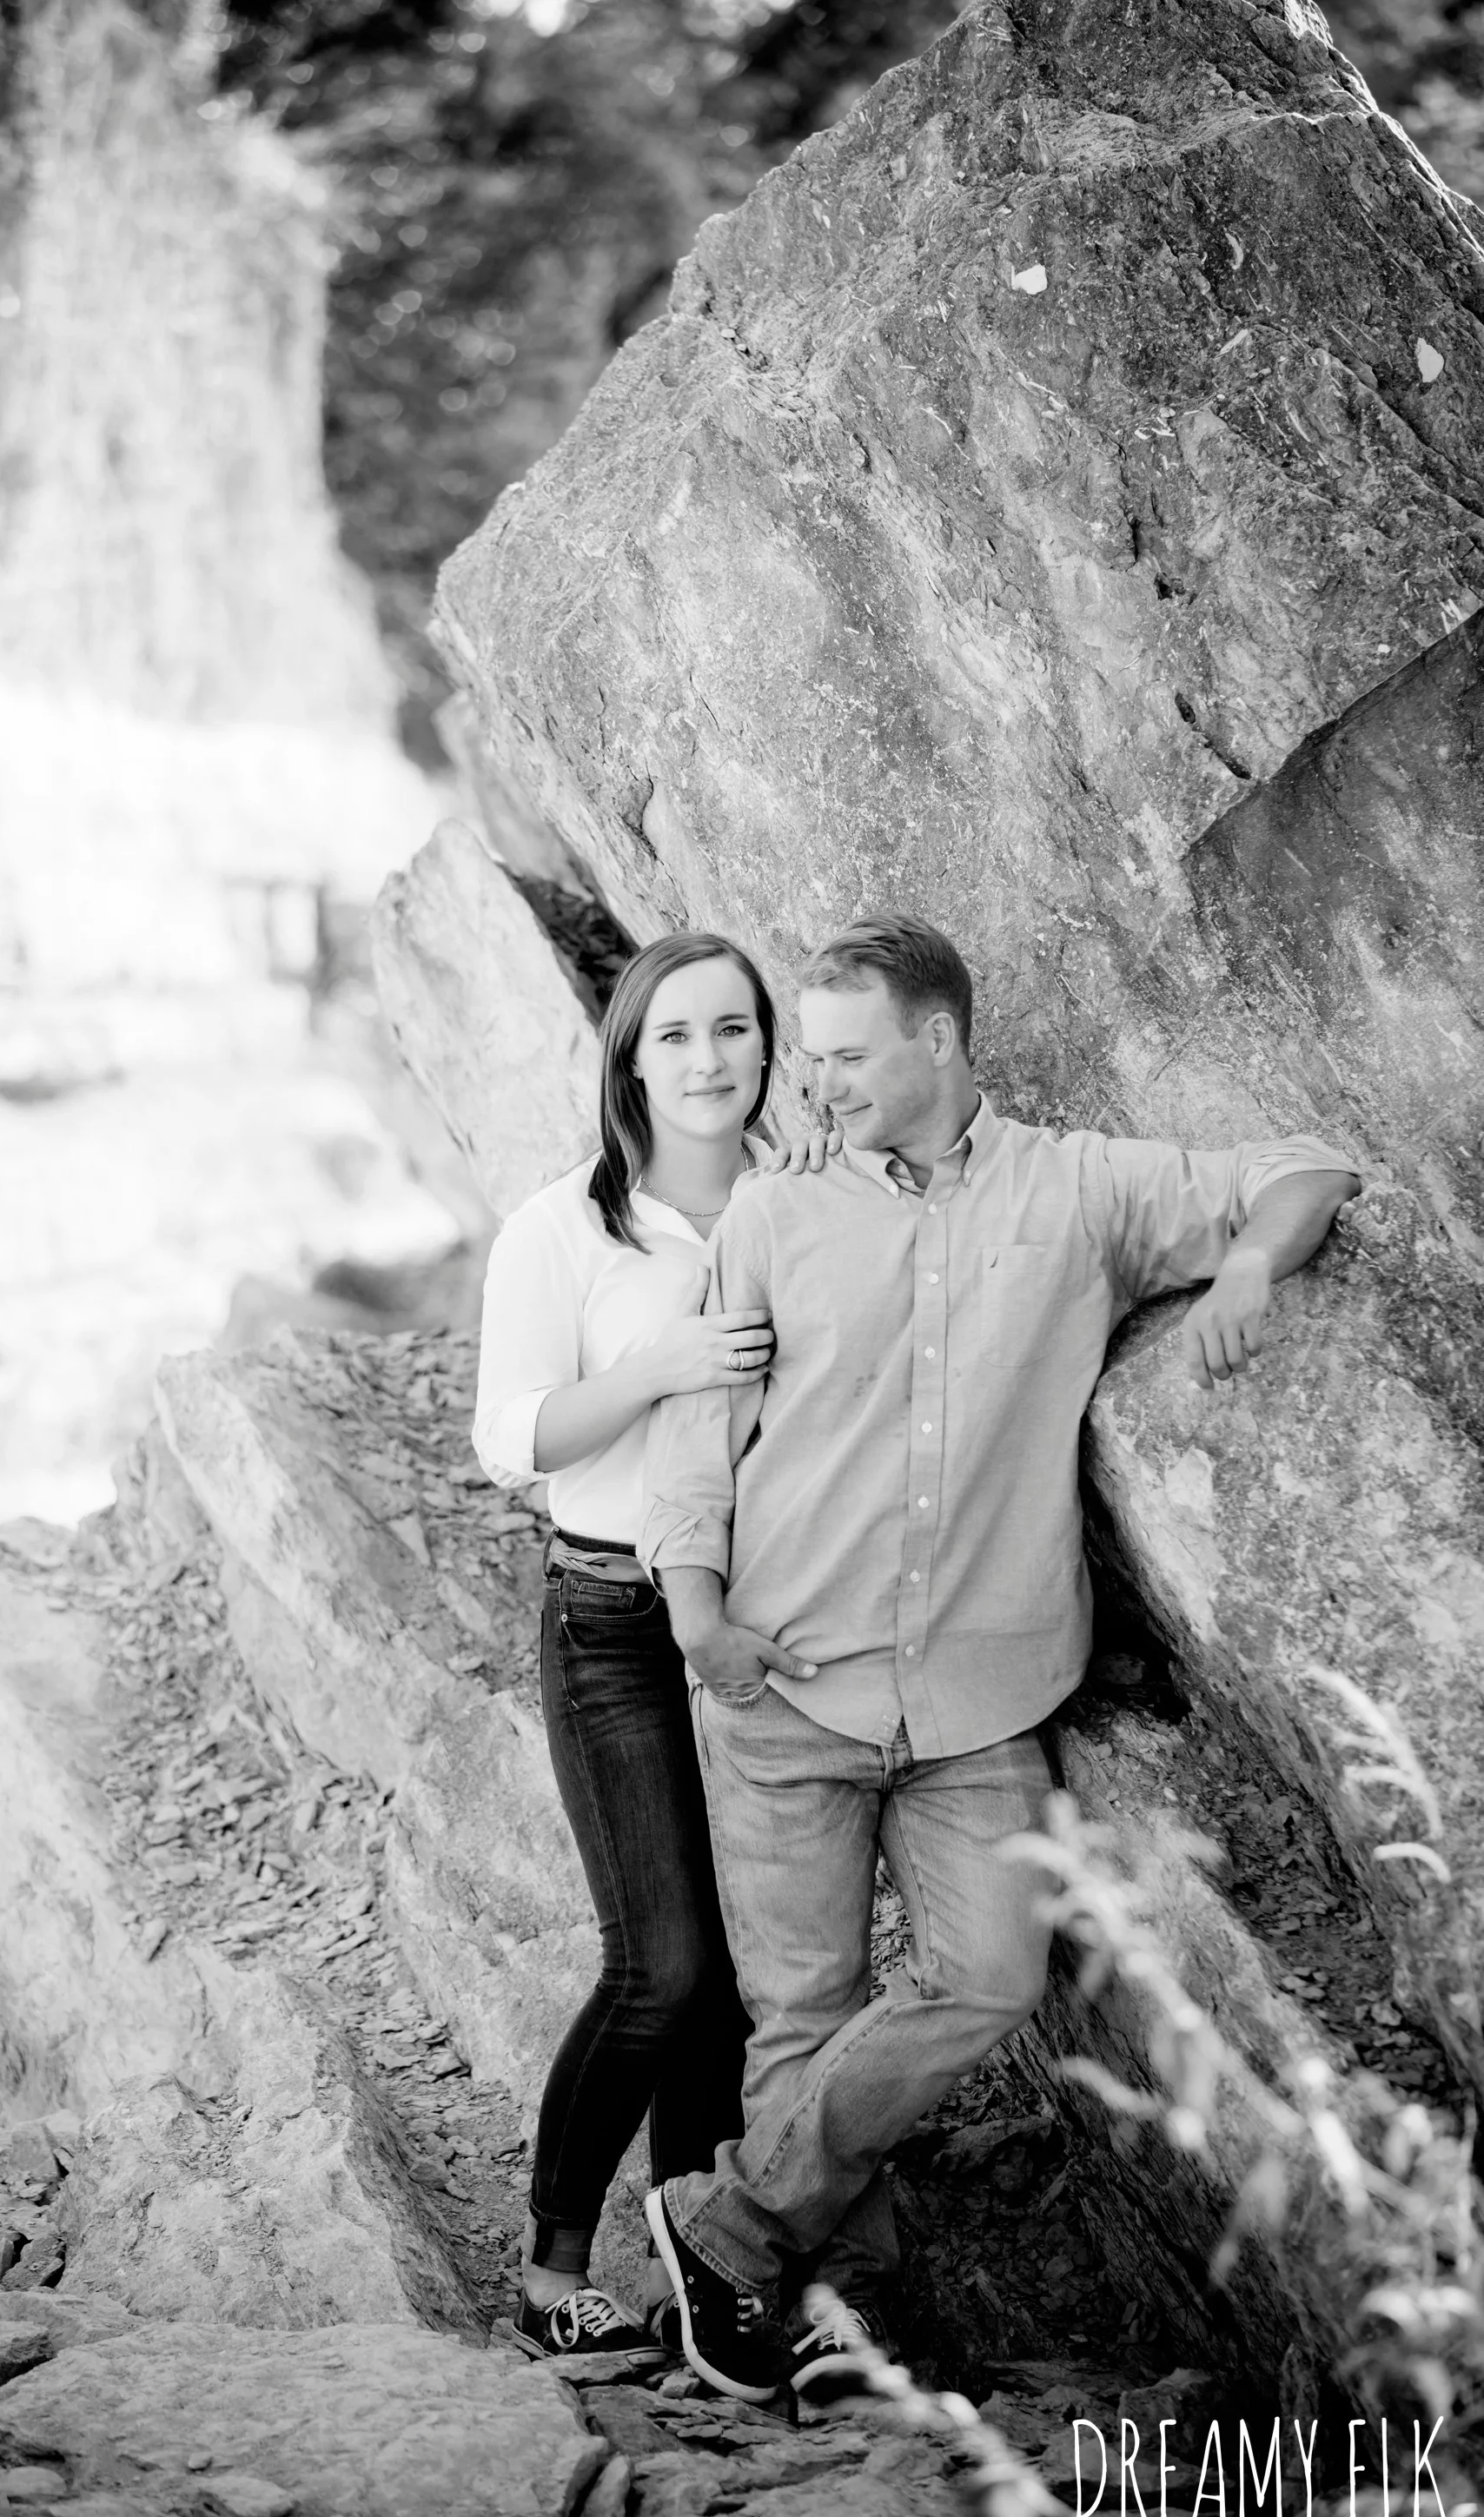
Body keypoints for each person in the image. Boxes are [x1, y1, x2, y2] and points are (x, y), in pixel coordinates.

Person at [638, 913, 1361, 2405]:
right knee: (806, 2012)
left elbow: (1303, 1168)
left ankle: (734, 2225)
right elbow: (697, 1436)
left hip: (980, 1704)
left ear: (939, 1041)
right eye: (809, 1055)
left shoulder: (1079, 1191)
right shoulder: (773, 1219)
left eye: (843, 1055)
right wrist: (699, 1615)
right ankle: (830, 2315)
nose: (811, 1081)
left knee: (991, 1971)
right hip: (785, 1681)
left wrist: (1244, 1275)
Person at [473, 927, 835, 2358]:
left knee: (744, 1979)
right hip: (614, 1618)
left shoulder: (805, 1206)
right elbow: (513, 1439)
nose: (708, 1059)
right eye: (676, 1034)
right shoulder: (562, 1228)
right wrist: (655, 1370)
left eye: (734, 1031)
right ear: (630, 1056)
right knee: (663, 1964)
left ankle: (709, 2277)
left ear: (767, 1053)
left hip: (754, 1621)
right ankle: (553, 2268)